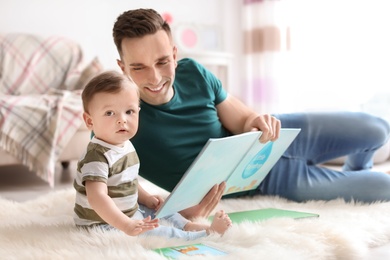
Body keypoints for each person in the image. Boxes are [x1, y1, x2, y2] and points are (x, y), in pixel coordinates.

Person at [112, 8, 390, 220]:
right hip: (264, 180)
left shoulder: (193, 72)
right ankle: (357, 177)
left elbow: (243, 119)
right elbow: (106, 185)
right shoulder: (117, 120)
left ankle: (356, 169)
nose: (155, 77)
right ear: (122, 67)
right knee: (385, 187)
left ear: (174, 54)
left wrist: (256, 119)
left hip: (279, 135)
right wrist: (170, 209)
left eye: (162, 62)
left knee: (379, 130)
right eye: (139, 67)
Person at [73, 70, 232, 239]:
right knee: (153, 232)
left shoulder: (125, 145)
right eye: (110, 113)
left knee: (163, 209)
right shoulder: (96, 157)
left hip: (128, 210)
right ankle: (201, 235)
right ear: (90, 121)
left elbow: (129, 180)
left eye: (129, 112)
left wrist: (146, 198)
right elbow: (97, 198)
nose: (122, 120)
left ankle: (188, 226)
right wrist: (126, 224)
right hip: (103, 222)